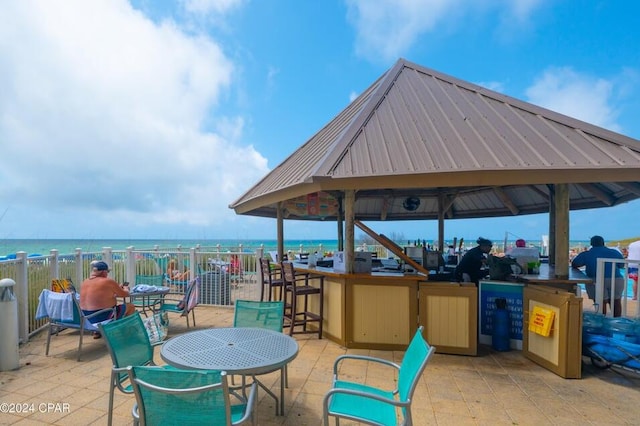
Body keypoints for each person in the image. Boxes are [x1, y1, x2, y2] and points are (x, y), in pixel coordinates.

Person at [571, 235, 625, 317]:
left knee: (600, 302)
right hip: (616, 279)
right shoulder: (614, 252)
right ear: (603, 243)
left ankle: (602, 322)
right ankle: (617, 322)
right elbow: (621, 265)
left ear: (591, 244)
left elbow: (575, 264)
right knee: (616, 302)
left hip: (596, 280)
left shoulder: (587, 254)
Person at [79, 261, 135, 338]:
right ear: (104, 272)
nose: (107, 274)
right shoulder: (107, 281)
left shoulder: (85, 281)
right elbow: (125, 295)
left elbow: (101, 296)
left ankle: (97, 332)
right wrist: (125, 289)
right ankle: (125, 332)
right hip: (102, 318)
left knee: (121, 301)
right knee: (130, 305)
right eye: (107, 271)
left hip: (87, 319)